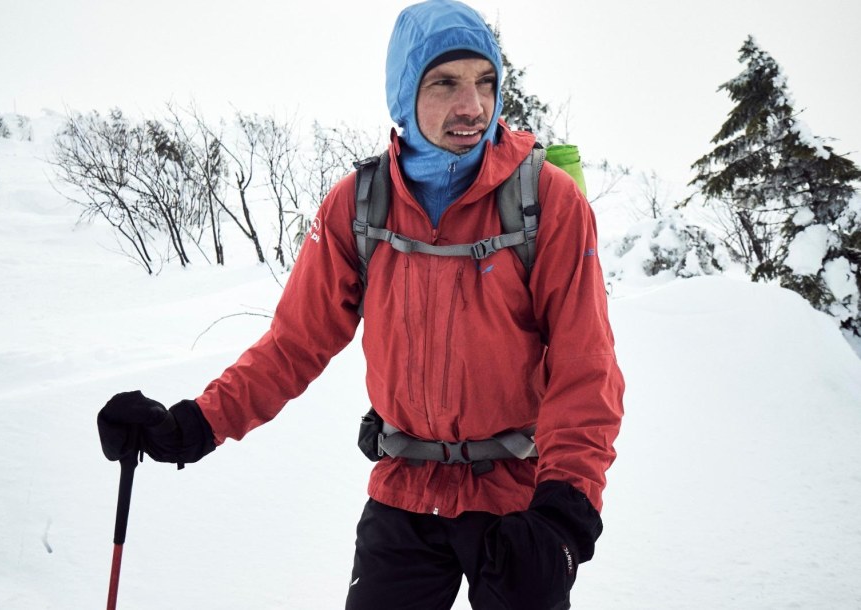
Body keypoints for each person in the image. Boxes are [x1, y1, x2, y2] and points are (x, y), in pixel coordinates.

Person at [97, 1, 624, 608]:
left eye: (485, 82)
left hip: (517, 500)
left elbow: (587, 366)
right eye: (445, 83)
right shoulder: (359, 206)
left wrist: (563, 520)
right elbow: (295, 344)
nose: (472, 107)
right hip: (403, 493)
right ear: (404, 93)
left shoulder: (547, 201)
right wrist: (194, 425)